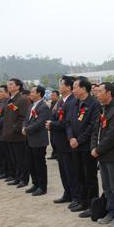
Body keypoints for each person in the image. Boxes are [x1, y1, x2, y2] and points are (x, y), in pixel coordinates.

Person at [91, 82, 114, 227]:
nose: (97, 94)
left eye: (100, 91)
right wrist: (94, 146)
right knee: (107, 186)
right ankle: (111, 212)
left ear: (110, 94)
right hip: (102, 155)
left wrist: (98, 149)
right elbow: (96, 130)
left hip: (113, 155)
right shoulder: (103, 109)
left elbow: (113, 135)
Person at [67, 77, 100, 217]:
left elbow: (93, 125)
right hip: (75, 145)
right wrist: (71, 138)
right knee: (79, 174)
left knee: (90, 176)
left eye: (75, 87)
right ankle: (82, 201)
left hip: (86, 146)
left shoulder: (93, 104)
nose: (73, 90)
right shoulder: (74, 103)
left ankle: (92, 204)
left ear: (84, 88)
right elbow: (68, 122)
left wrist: (79, 140)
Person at [47, 76, 78, 206]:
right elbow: (55, 117)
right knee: (63, 170)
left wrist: (52, 124)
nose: (59, 87)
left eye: (61, 84)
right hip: (59, 141)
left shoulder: (72, 101)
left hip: (67, 141)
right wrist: (51, 123)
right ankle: (67, 193)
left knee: (71, 171)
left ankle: (75, 196)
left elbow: (67, 122)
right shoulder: (61, 101)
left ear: (68, 87)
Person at [22, 86, 50, 195]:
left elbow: (40, 122)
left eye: (33, 92)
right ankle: (35, 183)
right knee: (31, 163)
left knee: (39, 164)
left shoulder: (44, 107)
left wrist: (27, 129)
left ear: (39, 94)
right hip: (29, 139)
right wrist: (24, 127)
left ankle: (42, 187)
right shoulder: (31, 106)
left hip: (38, 139)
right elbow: (26, 120)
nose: (30, 93)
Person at [3, 78, 29, 186]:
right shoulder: (10, 99)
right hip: (9, 135)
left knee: (21, 158)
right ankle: (17, 177)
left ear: (18, 86)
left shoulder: (22, 99)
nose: (8, 86)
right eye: (8, 84)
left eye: (11, 84)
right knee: (14, 158)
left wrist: (14, 129)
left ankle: (24, 179)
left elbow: (23, 117)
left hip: (17, 135)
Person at [48, 90, 60, 159]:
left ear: (57, 96)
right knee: (52, 140)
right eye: (51, 95)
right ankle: (54, 154)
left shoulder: (59, 104)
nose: (51, 97)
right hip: (51, 124)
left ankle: (56, 154)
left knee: (55, 141)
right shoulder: (52, 103)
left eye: (53, 95)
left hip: (56, 124)